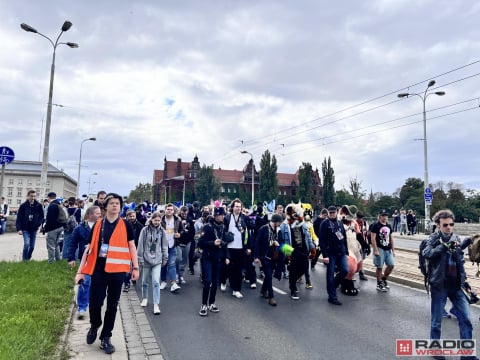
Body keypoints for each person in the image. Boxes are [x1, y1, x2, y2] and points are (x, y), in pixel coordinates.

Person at [75, 193, 139, 354]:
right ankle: (95, 325)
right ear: (106, 206)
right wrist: (80, 271)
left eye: (117, 203)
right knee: (95, 302)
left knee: (112, 305)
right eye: (112, 203)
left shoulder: (125, 225)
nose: (115, 205)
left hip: (118, 271)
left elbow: (132, 247)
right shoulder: (98, 225)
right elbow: (88, 249)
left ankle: (106, 337)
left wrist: (135, 267)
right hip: (99, 269)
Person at [422, 209, 475, 360]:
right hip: (440, 285)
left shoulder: (456, 237)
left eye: (451, 224)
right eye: (445, 225)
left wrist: (464, 281)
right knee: (436, 322)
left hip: (456, 285)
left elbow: (460, 260)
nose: (449, 227)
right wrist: (443, 246)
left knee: (466, 319)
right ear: (438, 225)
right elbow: (427, 253)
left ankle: (467, 355)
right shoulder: (433, 238)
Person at [66, 205, 101, 320]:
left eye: (100, 213)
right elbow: (72, 243)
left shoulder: (102, 226)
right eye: (97, 213)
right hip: (85, 259)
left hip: (99, 258)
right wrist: (71, 258)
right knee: (85, 281)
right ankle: (82, 307)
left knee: (96, 283)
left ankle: (93, 303)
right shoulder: (80, 228)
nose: (99, 215)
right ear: (90, 214)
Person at [198, 207, 232, 316]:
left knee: (215, 282)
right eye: (220, 215)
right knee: (208, 281)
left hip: (218, 258)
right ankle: (203, 304)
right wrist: (213, 243)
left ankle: (212, 303)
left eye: (223, 215)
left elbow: (225, 243)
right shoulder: (207, 227)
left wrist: (227, 256)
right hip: (207, 257)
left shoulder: (223, 227)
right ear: (215, 216)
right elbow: (200, 243)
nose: (222, 216)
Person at [138, 212, 168, 315]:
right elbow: (140, 245)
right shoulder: (144, 230)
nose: (157, 222)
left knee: (156, 281)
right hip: (146, 259)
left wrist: (165, 258)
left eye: (159, 220)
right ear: (151, 220)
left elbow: (164, 246)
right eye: (155, 220)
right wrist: (140, 258)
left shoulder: (162, 232)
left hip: (157, 260)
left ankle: (156, 304)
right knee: (144, 281)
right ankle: (145, 298)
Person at [318, 206, 348, 305]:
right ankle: (332, 296)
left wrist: (346, 251)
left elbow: (344, 238)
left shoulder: (340, 223)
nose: (332, 214)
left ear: (336, 213)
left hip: (341, 252)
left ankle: (333, 286)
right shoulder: (324, 224)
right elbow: (321, 241)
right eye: (330, 213)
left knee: (345, 270)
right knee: (330, 274)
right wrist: (325, 255)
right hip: (331, 253)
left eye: (333, 212)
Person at [221, 199, 251, 297]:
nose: (238, 208)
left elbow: (247, 233)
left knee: (238, 270)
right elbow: (223, 232)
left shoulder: (244, 218)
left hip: (240, 247)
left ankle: (236, 289)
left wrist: (248, 247)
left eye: (240, 206)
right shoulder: (227, 218)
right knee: (228, 267)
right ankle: (223, 281)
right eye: (236, 206)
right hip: (229, 247)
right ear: (232, 207)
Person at [254, 213, 283, 306]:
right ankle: (271, 297)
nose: (280, 224)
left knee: (268, 275)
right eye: (279, 222)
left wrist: (288, 251)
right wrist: (257, 257)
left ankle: (263, 290)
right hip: (264, 257)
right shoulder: (264, 229)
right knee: (269, 275)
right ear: (275, 221)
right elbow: (257, 243)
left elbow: (282, 242)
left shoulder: (278, 230)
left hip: (274, 257)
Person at [160, 203, 184, 293]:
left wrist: (179, 234)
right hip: (163, 246)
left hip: (173, 245)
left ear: (174, 211)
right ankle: (163, 281)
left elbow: (182, 229)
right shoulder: (161, 219)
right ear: (165, 210)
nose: (169, 211)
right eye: (168, 209)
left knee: (172, 264)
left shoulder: (177, 220)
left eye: (171, 209)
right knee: (163, 264)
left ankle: (173, 283)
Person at [370, 209, 395, 292]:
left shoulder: (389, 226)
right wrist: (376, 250)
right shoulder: (376, 225)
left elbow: (391, 238)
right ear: (380, 216)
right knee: (379, 266)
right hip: (380, 248)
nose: (384, 217)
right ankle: (379, 282)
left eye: (386, 216)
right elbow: (373, 238)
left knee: (391, 265)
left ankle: (384, 279)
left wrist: (393, 249)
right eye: (383, 216)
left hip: (388, 249)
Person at [16, 190, 44, 260]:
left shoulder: (38, 205)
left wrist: (38, 223)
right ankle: (24, 260)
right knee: (26, 244)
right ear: (28, 196)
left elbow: (41, 216)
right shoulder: (23, 206)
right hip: (25, 228)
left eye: (34, 196)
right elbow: (19, 218)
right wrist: (19, 229)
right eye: (31, 196)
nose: (33, 198)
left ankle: (28, 257)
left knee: (32, 246)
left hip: (34, 228)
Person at [123, 210, 145, 292]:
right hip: (125, 248)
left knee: (135, 265)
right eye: (130, 216)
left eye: (133, 216)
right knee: (127, 267)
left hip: (135, 247)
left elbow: (142, 238)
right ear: (127, 216)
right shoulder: (123, 224)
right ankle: (126, 283)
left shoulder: (140, 226)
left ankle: (133, 276)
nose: (132, 218)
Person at [44, 192, 67, 263]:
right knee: (56, 244)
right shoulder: (59, 204)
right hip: (60, 227)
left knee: (51, 245)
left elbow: (50, 219)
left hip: (53, 228)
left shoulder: (52, 206)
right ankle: (58, 260)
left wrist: (45, 228)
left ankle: (51, 261)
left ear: (48, 198)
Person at [177, 206, 194, 284]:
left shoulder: (189, 220)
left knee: (184, 260)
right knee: (178, 259)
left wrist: (189, 239)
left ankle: (181, 275)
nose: (184, 215)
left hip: (187, 243)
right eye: (182, 213)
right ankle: (176, 275)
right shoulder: (177, 220)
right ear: (180, 212)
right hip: (178, 243)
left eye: (185, 213)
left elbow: (192, 232)